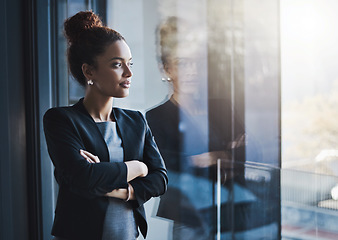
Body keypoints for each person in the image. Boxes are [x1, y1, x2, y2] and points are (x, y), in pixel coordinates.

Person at [43, 11, 167, 240]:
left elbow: (160, 178)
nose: (129, 73)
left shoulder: (136, 121)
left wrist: (120, 191)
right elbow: (82, 177)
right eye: (117, 64)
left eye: (130, 63)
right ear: (89, 71)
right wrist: (138, 167)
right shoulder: (61, 119)